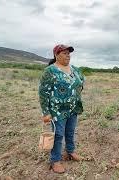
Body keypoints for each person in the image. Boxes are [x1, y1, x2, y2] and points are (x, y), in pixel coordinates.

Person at [38, 44, 85, 173]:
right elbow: (43, 92)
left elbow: (81, 81)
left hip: (73, 108)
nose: (68, 55)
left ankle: (70, 152)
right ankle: (55, 160)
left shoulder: (75, 69)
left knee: (70, 132)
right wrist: (46, 112)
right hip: (57, 110)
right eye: (64, 53)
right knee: (58, 135)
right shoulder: (50, 71)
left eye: (68, 53)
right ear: (56, 55)